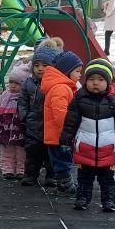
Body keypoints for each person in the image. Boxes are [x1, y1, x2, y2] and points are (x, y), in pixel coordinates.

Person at [60, 58, 115, 212]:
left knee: (107, 179)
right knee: (84, 177)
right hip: (85, 146)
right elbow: (70, 122)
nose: (95, 83)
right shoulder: (80, 99)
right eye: (91, 79)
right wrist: (66, 141)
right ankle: (82, 198)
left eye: (100, 79)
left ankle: (109, 200)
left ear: (108, 82)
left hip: (107, 147)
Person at [19, 41, 60, 187]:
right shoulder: (29, 83)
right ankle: (30, 175)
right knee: (32, 153)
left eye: (44, 65)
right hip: (34, 125)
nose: (40, 69)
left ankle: (52, 176)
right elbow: (22, 101)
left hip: (51, 126)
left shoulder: (56, 84)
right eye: (36, 65)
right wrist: (24, 115)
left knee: (51, 154)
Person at [42, 50, 82, 193]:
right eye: (77, 71)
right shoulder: (61, 88)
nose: (80, 75)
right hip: (59, 136)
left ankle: (63, 182)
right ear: (67, 71)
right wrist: (69, 131)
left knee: (62, 160)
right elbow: (60, 113)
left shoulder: (63, 86)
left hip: (57, 135)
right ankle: (65, 184)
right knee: (63, 161)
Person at [0, 63, 28, 180]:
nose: (12, 86)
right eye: (11, 82)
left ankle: (20, 170)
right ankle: (7, 170)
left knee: (21, 152)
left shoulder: (24, 97)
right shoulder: (5, 95)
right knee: (7, 151)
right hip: (6, 130)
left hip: (20, 130)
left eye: (17, 83)